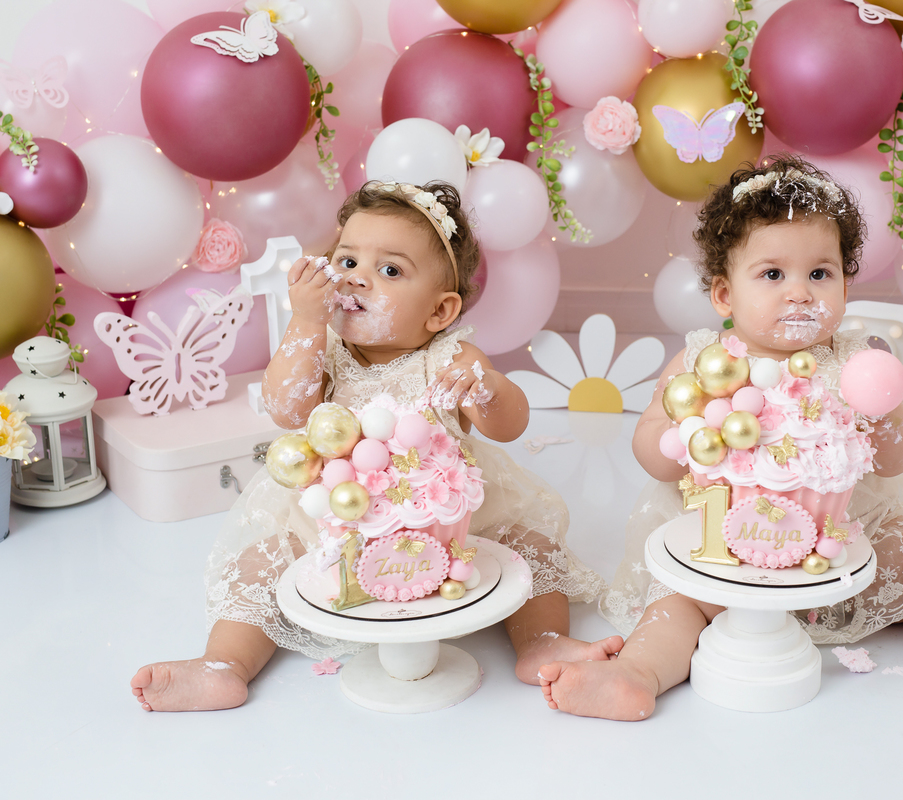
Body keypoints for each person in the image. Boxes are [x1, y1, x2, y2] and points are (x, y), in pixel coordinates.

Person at [538, 155, 903, 721]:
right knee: (678, 608)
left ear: (846, 286)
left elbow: (899, 457)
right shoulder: (703, 362)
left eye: (820, 273)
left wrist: (881, 413)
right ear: (724, 294)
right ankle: (636, 676)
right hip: (726, 545)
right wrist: (683, 431)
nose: (799, 292)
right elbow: (652, 451)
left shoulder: (855, 361)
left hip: (847, 540)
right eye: (772, 274)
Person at [132, 180, 614, 711]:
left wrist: (490, 388)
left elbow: (508, 427)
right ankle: (224, 665)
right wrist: (306, 322)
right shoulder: (325, 350)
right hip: (328, 516)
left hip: (453, 519)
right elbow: (287, 409)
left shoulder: (450, 356)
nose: (358, 279)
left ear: (439, 311)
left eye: (390, 270)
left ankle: (540, 642)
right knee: (259, 564)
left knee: (530, 542)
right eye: (346, 261)